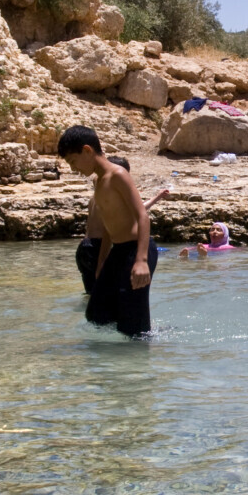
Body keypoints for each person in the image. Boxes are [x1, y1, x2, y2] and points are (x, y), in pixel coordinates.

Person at [58, 125, 158, 337]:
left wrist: (141, 260)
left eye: (73, 161)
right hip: (118, 252)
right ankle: (109, 362)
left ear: (87, 150)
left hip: (137, 250)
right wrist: (102, 261)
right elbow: (107, 226)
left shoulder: (118, 174)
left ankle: (139, 356)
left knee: (133, 327)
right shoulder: (99, 181)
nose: (73, 168)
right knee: (97, 314)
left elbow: (142, 215)